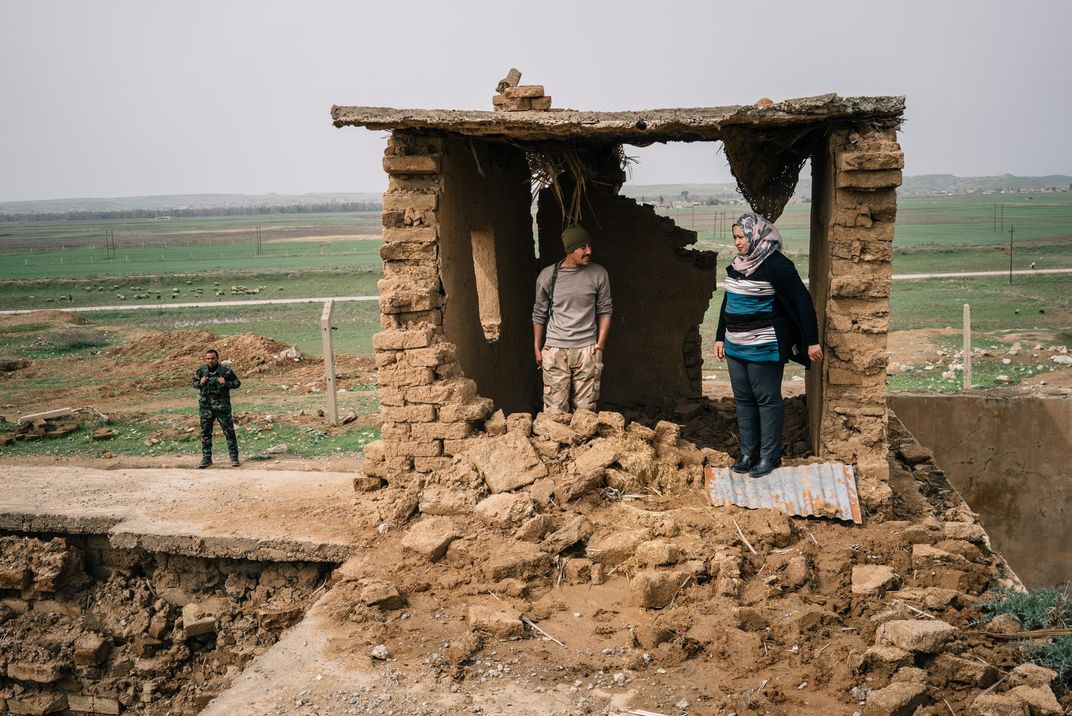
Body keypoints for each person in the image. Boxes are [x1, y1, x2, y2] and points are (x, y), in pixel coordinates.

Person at [714, 213, 822, 478]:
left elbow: (802, 303)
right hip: (735, 345)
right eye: (735, 237)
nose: (737, 242)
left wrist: (811, 341)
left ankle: (769, 457)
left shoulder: (777, 265)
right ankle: (748, 454)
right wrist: (719, 336)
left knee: (766, 399)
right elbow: (730, 302)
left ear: (756, 235)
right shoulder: (738, 264)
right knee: (743, 400)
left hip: (764, 344)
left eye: (741, 237)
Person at [532, 225, 612, 413]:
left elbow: (605, 310)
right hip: (556, 350)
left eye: (589, 246)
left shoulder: (599, 274)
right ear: (570, 249)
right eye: (583, 247)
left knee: (586, 413)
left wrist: (599, 345)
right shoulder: (548, 276)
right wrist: (538, 346)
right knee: (554, 412)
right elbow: (539, 312)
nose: (589, 251)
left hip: (587, 350)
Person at [192, 348, 241, 468]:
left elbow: (237, 383)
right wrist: (200, 383)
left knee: (229, 431)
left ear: (217, 358)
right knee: (205, 432)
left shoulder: (225, 371)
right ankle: (206, 458)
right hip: (206, 406)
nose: (210, 361)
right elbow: (194, 383)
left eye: (212, 358)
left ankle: (234, 457)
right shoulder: (201, 371)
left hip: (222, 405)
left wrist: (226, 383)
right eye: (208, 358)